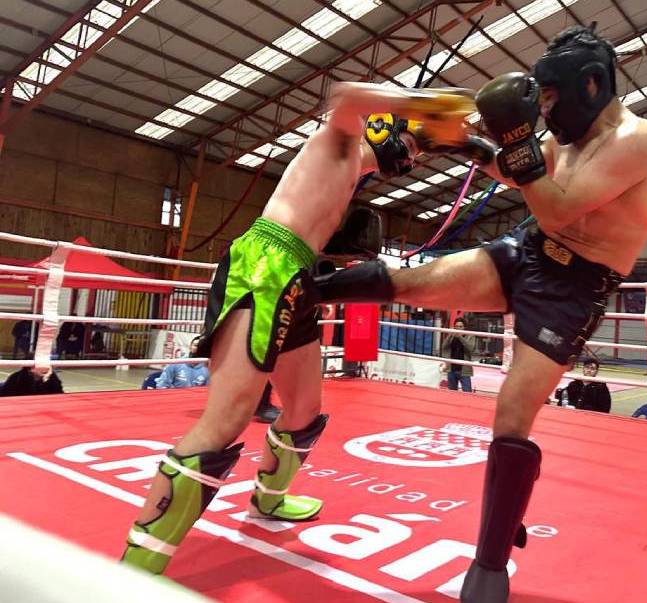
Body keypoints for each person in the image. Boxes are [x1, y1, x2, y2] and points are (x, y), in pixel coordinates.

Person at [314, 24, 647, 601]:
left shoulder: (638, 139)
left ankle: (490, 564)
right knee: (409, 282)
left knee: (511, 415)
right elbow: (517, 171)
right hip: (527, 254)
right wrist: (459, 144)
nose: (544, 110)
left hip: (574, 286)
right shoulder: (567, 138)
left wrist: (518, 139)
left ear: (591, 85)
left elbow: (556, 208)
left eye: (550, 97)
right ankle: (301, 290)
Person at [119, 83, 490, 575]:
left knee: (304, 408)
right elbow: (347, 96)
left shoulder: (354, 168)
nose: (411, 157)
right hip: (263, 265)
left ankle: (269, 499)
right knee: (226, 419)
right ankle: (138, 564)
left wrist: (457, 142)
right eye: (409, 144)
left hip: (296, 275)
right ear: (386, 127)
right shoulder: (338, 140)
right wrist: (424, 103)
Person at [442, 317, 476, 392]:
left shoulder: (470, 336)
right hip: (452, 369)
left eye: (460, 327)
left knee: (467, 393)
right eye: (456, 326)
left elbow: (471, 348)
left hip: (464, 370)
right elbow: (444, 346)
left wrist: (460, 337)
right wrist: (450, 335)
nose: (458, 328)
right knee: (452, 393)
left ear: (464, 328)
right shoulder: (452, 336)